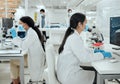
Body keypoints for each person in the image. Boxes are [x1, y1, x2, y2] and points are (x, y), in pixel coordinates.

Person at [57, 13, 105, 84]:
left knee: (95, 70)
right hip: (69, 76)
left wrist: (93, 51)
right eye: (85, 22)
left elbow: (82, 51)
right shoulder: (74, 38)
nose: (87, 25)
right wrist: (102, 55)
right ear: (80, 24)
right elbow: (84, 58)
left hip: (66, 72)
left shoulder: (72, 35)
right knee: (100, 75)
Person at [10, 16, 45, 84]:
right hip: (33, 56)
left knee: (13, 62)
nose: (20, 26)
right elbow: (25, 42)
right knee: (15, 61)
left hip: (35, 59)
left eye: (21, 24)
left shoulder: (31, 33)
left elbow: (24, 45)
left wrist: (15, 38)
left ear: (26, 24)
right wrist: (18, 38)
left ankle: (16, 82)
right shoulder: (31, 31)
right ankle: (17, 80)